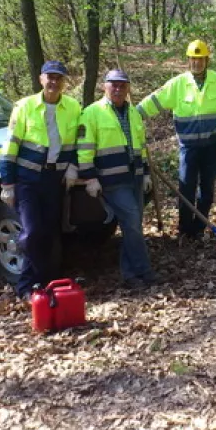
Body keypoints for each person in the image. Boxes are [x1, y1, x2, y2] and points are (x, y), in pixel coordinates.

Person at [137, 40, 216, 245]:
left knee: (207, 189)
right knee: (186, 187)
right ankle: (185, 228)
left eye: (200, 59)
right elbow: (154, 101)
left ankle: (199, 228)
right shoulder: (177, 84)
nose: (197, 63)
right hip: (188, 148)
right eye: (193, 59)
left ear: (207, 60)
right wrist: (131, 115)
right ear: (188, 60)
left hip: (212, 146)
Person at [0, 61, 82, 300]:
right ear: (41, 79)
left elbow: (78, 143)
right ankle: (26, 285)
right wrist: (7, 182)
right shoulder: (24, 107)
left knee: (49, 233)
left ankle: (46, 282)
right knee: (32, 232)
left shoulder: (73, 107)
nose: (54, 82)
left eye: (59, 78)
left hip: (54, 179)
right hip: (27, 180)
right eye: (50, 77)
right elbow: (10, 145)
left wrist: (73, 168)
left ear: (64, 82)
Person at [78, 69, 157, 289]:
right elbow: (84, 150)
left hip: (135, 177)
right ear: (105, 86)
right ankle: (142, 270)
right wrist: (90, 178)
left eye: (123, 85)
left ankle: (130, 273)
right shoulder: (92, 113)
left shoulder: (133, 112)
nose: (118, 89)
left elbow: (140, 146)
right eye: (114, 85)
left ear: (128, 88)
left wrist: (147, 173)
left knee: (133, 226)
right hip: (111, 180)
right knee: (131, 222)